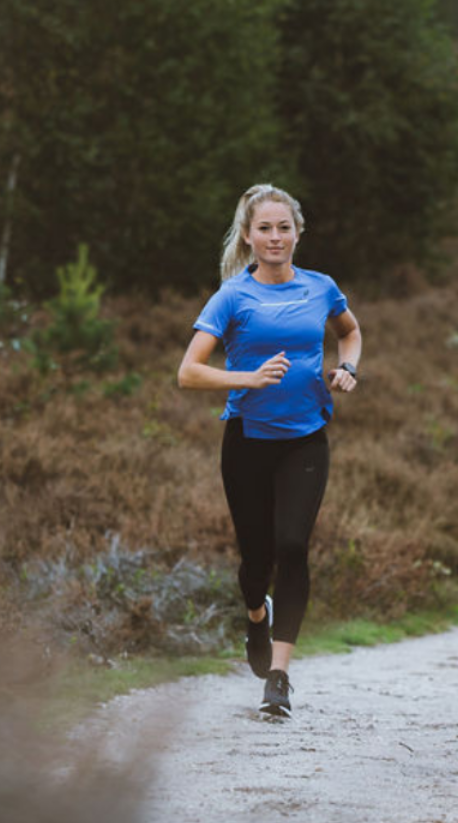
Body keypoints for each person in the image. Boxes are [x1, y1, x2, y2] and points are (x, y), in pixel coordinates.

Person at [177, 184, 362, 718]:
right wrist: (248, 378)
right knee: (255, 563)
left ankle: (278, 678)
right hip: (247, 443)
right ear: (248, 236)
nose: (275, 237)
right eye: (265, 228)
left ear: (297, 233)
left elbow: (349, 332)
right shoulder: (232, 296)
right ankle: (256, 616)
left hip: (306, 439)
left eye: (284, 227)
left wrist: (348, 367)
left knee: (293, 546)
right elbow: (188, 372)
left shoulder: (322, 287)